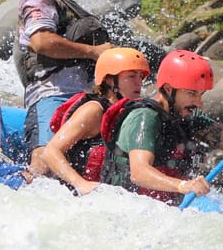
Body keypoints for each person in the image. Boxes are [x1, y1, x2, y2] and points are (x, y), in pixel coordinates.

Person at [100, 50, 223, 205]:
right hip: (128, 208)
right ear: (167, 89)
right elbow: (139, 173)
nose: (199, 103)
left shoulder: (189, 116)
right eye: (192, 94)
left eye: (201, 95)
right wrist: (184, 185)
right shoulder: (144, 117)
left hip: (163, 209)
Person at [14, 0, 115, 175]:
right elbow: (41, 41)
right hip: (51, 94)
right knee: (44, 162)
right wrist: (93, 52)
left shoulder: (72, 7)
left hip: (84, 98)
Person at [38, 47, 150, 195]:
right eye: (131, 76)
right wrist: (81, 184)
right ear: (109, 80)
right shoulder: (93, 110)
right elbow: (50, 152)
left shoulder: (132, 113)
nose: (139, 83)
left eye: (141, 77)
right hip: (71, 195)